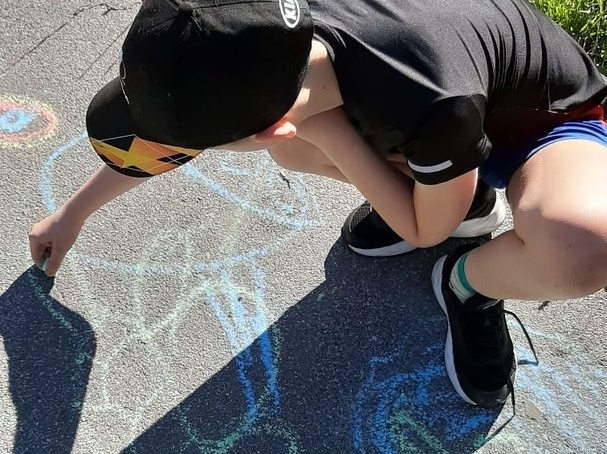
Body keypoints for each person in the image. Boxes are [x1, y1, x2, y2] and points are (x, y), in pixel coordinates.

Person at [29, 0, 607, 409]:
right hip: (436, 123)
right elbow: (168, 134)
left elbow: (426, 231)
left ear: (272, 124)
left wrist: (330, 132)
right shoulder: (255, 38)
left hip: (544, 125)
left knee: (580, 248)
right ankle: (461, 196)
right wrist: (73, 213)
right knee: (300, 150)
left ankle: (470, 282)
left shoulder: (433, 101)